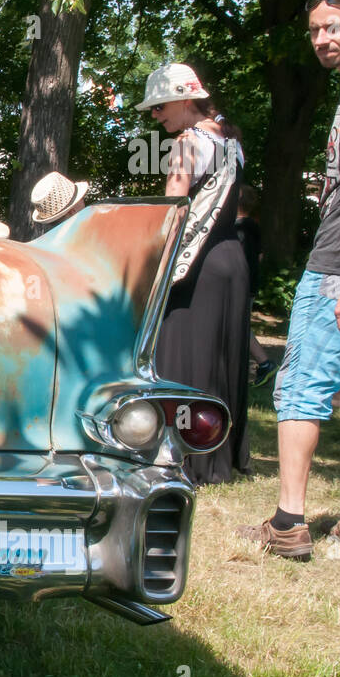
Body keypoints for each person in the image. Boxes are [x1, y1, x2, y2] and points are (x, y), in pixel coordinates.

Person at [239, 0, 340, 560]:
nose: (324, 40)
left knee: (301, 391)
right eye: (316, 31)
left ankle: (288, 523)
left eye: (336, 28)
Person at [137, 63, 250, 484]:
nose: (155, 116)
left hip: (199, 264)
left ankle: (187, 456)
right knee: (221, 355)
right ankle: (221, 455)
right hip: (231, 258)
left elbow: (173, 210)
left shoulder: (186, 143)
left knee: (184, 353)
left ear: (186, 99)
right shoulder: (228, 140)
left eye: (160, 106)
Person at [234, 184, 276, 386]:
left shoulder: (238, 229)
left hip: (239, 287)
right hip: (249, 285)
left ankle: (264, 363)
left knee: (239, 326)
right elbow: (259, 256)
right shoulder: (254, 227)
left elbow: (235, 259)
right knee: (240, 325)